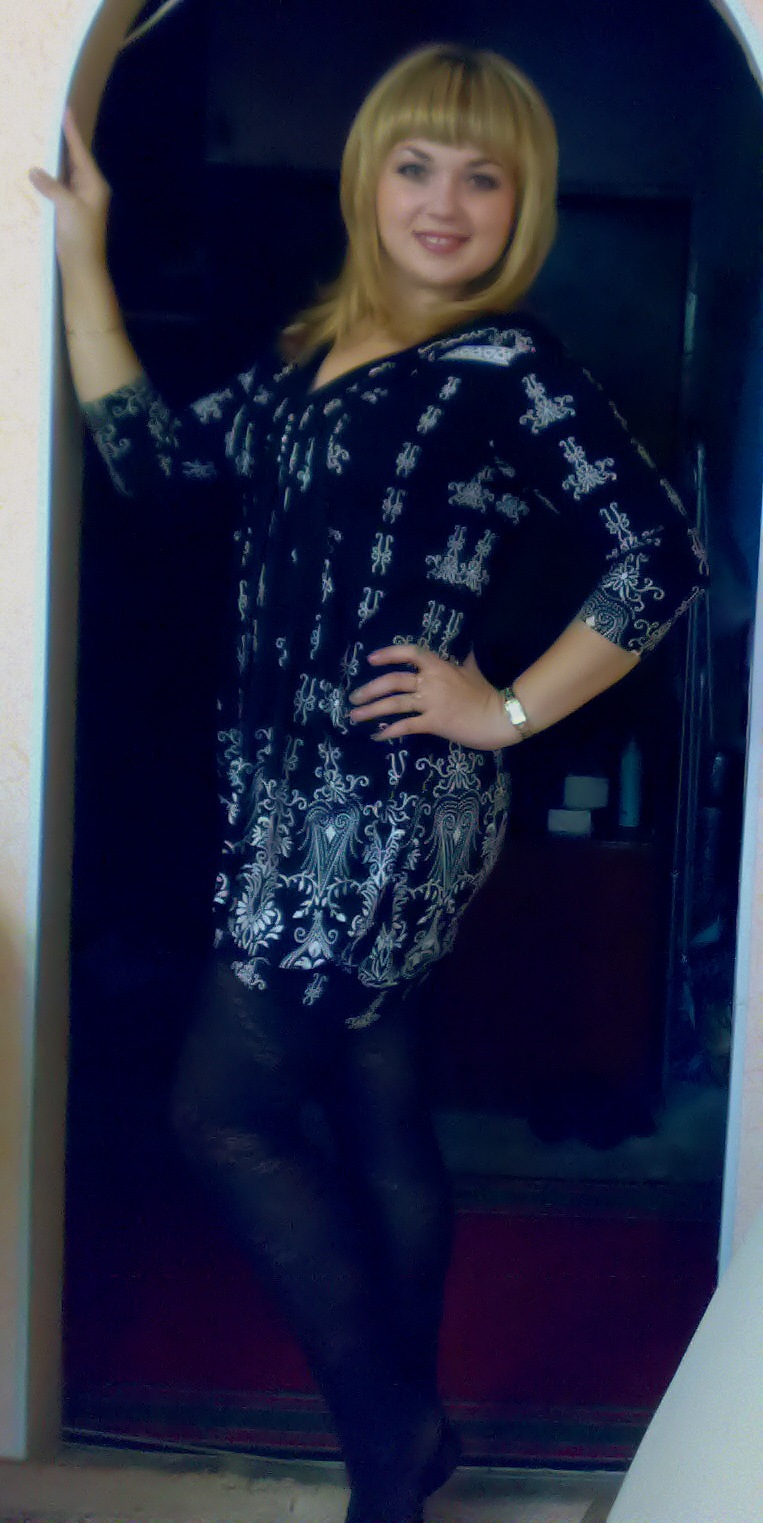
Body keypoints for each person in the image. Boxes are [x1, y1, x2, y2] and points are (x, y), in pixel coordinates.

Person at [30, 43, 708, 1523]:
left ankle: (392, 1436)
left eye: (484, 175)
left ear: (522, 202)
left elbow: (659, 553)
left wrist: (506, 707)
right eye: (416, 166)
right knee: (375, 1094)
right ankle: (406, 1431)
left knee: (222, 1114)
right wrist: (83, 249)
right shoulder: (313, 358)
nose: (445, 202)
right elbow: (151, 458)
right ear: (367, 181)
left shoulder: (504, 369)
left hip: (383, 811)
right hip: (278, 799)